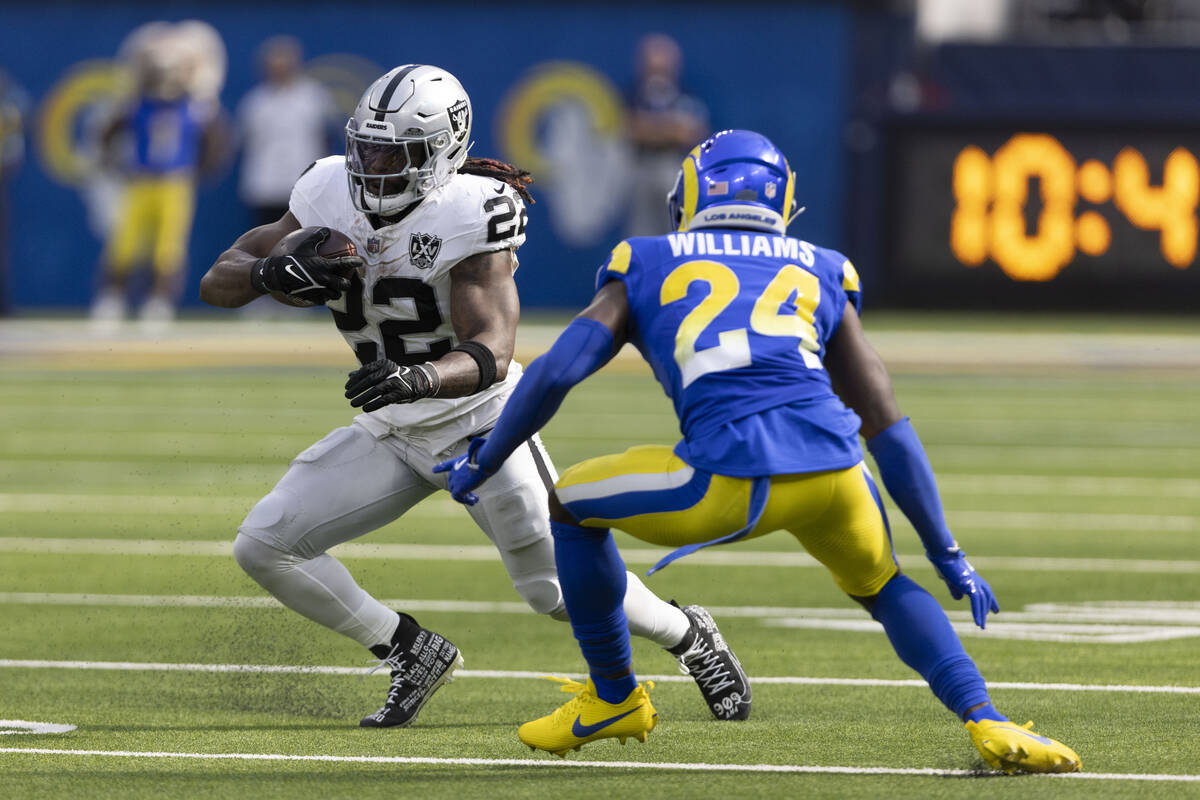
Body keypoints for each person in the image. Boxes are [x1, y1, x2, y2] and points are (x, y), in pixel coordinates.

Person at [435, 129, 1083, 773]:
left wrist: (485, 461)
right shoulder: (821, 266)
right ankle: (986, 718)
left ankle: (613, 696)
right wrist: (948, 552)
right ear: (783, 203)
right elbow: (884, 419)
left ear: (688, 195)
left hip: (727, 478)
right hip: (836, 475)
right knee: (884, 584)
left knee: (570, 502)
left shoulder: (647, 258)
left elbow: (553, 374)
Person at [199, 65, 750, 729]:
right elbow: (217, 279)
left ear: (442, 152)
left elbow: (491, 348)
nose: (372, 166)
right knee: (265, 545)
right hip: (392, 425)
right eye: (365, 147)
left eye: (393, 153)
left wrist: (421, 377)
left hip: (482, 425)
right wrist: (265, 271)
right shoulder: (323, 190)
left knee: (551, 590)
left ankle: (689, 636)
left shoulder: (470, 211)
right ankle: (409, 649)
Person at [92, 23, 229, 333]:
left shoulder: (195, 108)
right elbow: (107, 132)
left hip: (174, 182)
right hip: (140, 180)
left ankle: (159, 302)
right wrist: (110, 161)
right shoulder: (136, 105)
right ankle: (111, 299)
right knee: (124, 243)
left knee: (168, 248)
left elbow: (215, 140)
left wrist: (202, 169)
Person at [237, 36, 335, 227]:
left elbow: (327, 136)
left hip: (305, 185)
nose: (280, 70)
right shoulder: (255, 102)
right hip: (265, 187)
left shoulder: (314, 97)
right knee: (266, 245)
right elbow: (245, 141)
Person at [625, 34, 708, 237]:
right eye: (653, 67)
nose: (658, 72)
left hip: (674, 167)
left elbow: (694, 133)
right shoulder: (632, 95)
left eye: (662, 68)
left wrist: (651, 127)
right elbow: (629, 130)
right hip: (641, 168)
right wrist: (670, 128)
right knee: (641, 232)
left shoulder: (686, 95)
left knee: (675, 228)